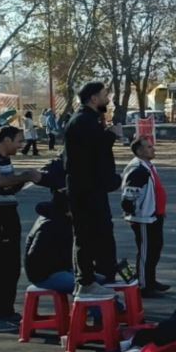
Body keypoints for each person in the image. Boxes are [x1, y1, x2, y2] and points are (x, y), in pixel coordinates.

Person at [64, 81, 124, 299]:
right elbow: (94, 150)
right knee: (86, 235)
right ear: (93, 98)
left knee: (101, 232)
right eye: (105, 95)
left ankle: (100, 275)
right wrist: (112, 134)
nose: (108, 98)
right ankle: (85, 281)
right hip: (85, 189)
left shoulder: (90, 119)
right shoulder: (82, 120)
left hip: (92, 187)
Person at [0, 126, 42, 331]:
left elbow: (8, 186)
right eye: (18, 141)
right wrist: (24, 176)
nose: (21, 145)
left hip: (8, 215)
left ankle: (6, 311)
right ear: (6, 140)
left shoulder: (5, 160)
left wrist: (25, 179)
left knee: (11, 267)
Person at [121, 136, 172, 297]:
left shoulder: (148, 166)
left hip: (154, 216)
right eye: (149, 147)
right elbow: (128, 197)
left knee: (155, 249)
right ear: (139, 151)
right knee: (146, 252)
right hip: (144, 218)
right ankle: (144, 286)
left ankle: (151, 280)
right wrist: (138, 211)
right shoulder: (137, 169)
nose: (153, 149)